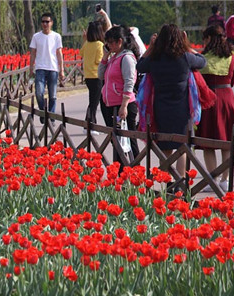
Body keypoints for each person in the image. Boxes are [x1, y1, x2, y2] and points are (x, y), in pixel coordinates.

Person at [136, 24, 206, 191]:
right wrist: (187, 44)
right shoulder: (185, 57)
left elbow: (140, 65)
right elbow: (203, 61)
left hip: (161, 108)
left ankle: (168, 182)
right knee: (182, 147)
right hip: (182, 108)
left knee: (165, 146)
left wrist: (151, 48)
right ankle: (181, 182)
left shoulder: (155, 59)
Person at [198, 25, 234, 193]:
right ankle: (225, 180)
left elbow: (199, 82)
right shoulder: (231, 56)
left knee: (208, 143)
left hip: (209, 99)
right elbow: (232, 80)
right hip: (227, 98)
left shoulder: (203, 58)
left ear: (209, 39)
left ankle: (212, 178)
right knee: (226, 142)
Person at [98, 25, 141, 166]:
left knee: (129, 140)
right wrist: (105, 56)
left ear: (119, 41)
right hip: (111, 104)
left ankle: (136, 169)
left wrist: (124, 105)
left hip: (123, 105)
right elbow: (100, 75)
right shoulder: (114, 57)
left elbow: (130, 81)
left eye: (110, 42)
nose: (108, 45)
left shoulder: (127, 58)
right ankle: (121, 171)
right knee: (116, 140)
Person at [29, 13, 65, 124]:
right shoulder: (36, 36)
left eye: (47, 22)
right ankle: (43, 112)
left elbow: (59, 53)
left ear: (51, 23)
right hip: (40, 68)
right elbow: (33, 53)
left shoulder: (56, 36)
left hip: (53, 68)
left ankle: (52, 117)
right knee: (39, 93)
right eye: (43, 22)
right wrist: (31, 68)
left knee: (53, 95)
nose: (45, 24)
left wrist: (61, 70)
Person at [80, 21, 104, 125]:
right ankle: (90, 124)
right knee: (94, 102)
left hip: (88, 76)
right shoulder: (99, 45)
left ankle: (89, 122)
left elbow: (81, 53)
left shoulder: (87, 44)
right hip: (97, 76)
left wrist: (84, 40)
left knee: (92, 100)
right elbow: (99, 60)